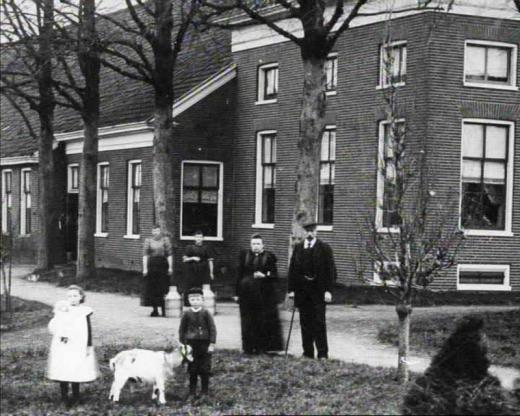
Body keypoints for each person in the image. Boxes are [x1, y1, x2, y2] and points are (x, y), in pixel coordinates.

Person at [288, 219, 335, 359]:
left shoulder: (325, 248)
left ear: (316, 232)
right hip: (302, 292)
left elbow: (331, 271)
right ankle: (307, 352)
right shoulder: (298, 248)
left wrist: (328, 290)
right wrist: (291, 290)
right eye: (307, 231)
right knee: (305, 323)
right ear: (304, 232)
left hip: (319, 291)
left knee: (319, 322)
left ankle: (322, 353)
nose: (310, 234)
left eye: (312, 231)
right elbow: (293, 270)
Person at [47, 285, 99, 406]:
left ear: (81, 297)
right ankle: (64, 396)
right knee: (63, 367)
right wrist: (61, 334)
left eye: (75, 296)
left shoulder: (84, 311)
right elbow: (55, 325)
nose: (72, 298)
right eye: (70, 296)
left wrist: (88, 346)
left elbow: (88, 330)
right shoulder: (63, 309)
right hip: (63, 344)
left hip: (78, 344)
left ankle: (76, 395)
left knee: (76, 367)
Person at [236, 234, 283, 355]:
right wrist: (237, 293)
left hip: (264, 295)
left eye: (258, 244)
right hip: (247, 295)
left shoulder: (269, 257)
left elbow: (275, 276)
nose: (255, 246)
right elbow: (239, 275)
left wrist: (265, 276)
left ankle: (263, 348)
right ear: (250, 245)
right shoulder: (245, 256)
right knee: (247, 321)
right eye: (253, 244)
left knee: (262, 320)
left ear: (263, 245)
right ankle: (248, 348)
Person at [179, 287, 217, 397]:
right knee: (192, 369)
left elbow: (212, 329)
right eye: (192, 300)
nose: (195, 302)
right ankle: (192, 392)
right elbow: (182, 329)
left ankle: (204, 391)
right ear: (189, 301)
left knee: (204, 368)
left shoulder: (206, 313)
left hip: (204, 344)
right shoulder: (186, 314)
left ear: (202, 300)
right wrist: (183, 344)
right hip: (191, 345)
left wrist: (212, 343)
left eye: (197, 299)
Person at [142, 224, 173, 317]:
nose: (156, 233)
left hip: (163, 265)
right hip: (152, 265)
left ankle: (164, 309)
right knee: (153, 288)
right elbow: (145, 255)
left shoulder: (165, 240)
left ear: (160, 231)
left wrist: (170, 267)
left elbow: (169, 254)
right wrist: (145, 268)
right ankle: (155, 310)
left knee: (163, 287)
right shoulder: (148, 241)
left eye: (158, 231)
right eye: (154, 231)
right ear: (152, 232)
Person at [181, 230, 214, 306]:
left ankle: (200, 303)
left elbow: (210, 261)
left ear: (203, 238)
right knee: (190, 287)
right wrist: (192, 258)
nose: (199, 239)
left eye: (200, 237)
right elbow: (184, 259)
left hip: (203, 271)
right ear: (194, 238)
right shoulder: (189, 247)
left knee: (201, 287)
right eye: (197, 237)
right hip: (191, 270)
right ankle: (188, 303)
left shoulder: (206, 248)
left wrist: (211, 273)